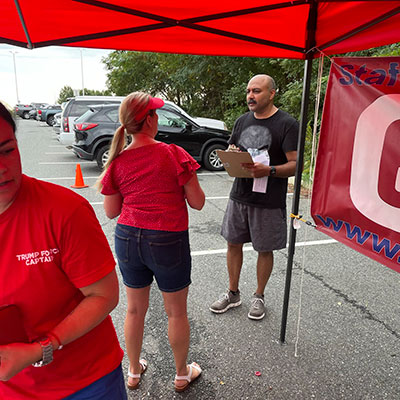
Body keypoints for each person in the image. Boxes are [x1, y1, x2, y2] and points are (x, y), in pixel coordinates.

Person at [0, 102, 126, 400]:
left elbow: (104, 295)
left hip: (84, 382)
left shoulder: (63, 211)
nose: (1, 168)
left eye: (6, 150)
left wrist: (42, 347)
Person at [97, 92, 205, 392]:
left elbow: (111, 211)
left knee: (134, 310)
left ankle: (133, 370)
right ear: (149, 120)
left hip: (128, 238)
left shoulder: (117, 160)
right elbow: (198, 202)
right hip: (168, 238)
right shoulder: (173, 153)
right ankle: (182, 373)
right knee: (176, 312)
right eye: (155, 114)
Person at [209, 74, 299, 320]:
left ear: (271, 93)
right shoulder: (241, 121)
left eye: (257, 91)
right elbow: (233, 148)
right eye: (249, 91)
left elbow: (296, 164)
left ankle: (259, 296)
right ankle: (233, 293)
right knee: (232, 243)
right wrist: (231, 155)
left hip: (269, 199)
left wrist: (269, 171)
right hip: (239, 195)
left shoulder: (287, 124)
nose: (250, 95)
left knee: (264, 249)